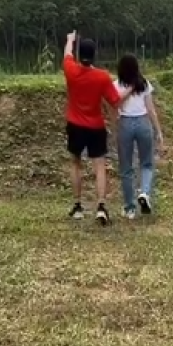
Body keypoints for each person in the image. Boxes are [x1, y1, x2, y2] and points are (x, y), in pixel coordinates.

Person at [62, 30, 122, 225]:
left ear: (80, 55)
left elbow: (67, 54)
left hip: (75, 125)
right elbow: (115, 100)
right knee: (99, 166)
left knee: (75, 163)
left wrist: (70, 40)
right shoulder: (102, 76)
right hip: (96, 126)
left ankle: (78, 206)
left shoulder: (71, 70)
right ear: (95, 55)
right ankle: (101, 207)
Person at [114, 53, 164, 219]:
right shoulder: (144, 84)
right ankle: (145, 193)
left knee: (126, 167)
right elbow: (151, 110)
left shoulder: (116, 85)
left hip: (125, 123)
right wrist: (158, 131)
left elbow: (115, 104)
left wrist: (115, 129)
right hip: (143, 122)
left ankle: (130, 208)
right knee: (147, 163)